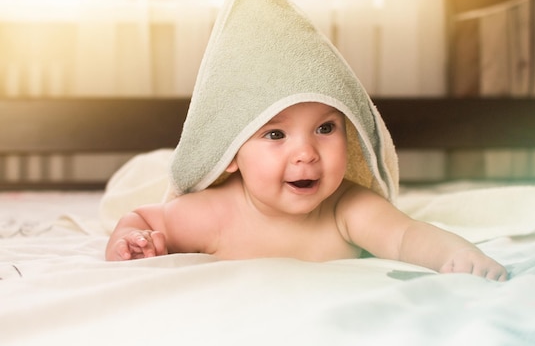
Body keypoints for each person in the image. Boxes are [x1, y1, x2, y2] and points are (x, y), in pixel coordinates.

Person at [105, 99, 508, 281]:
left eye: (325, 128)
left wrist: (456, 254)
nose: (306, 153)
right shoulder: (215, 214)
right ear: (230, 152)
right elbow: (144, 216)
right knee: (145, 173)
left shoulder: (347, 207)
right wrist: (132, 239)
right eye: (276, 133)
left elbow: (406, 236)